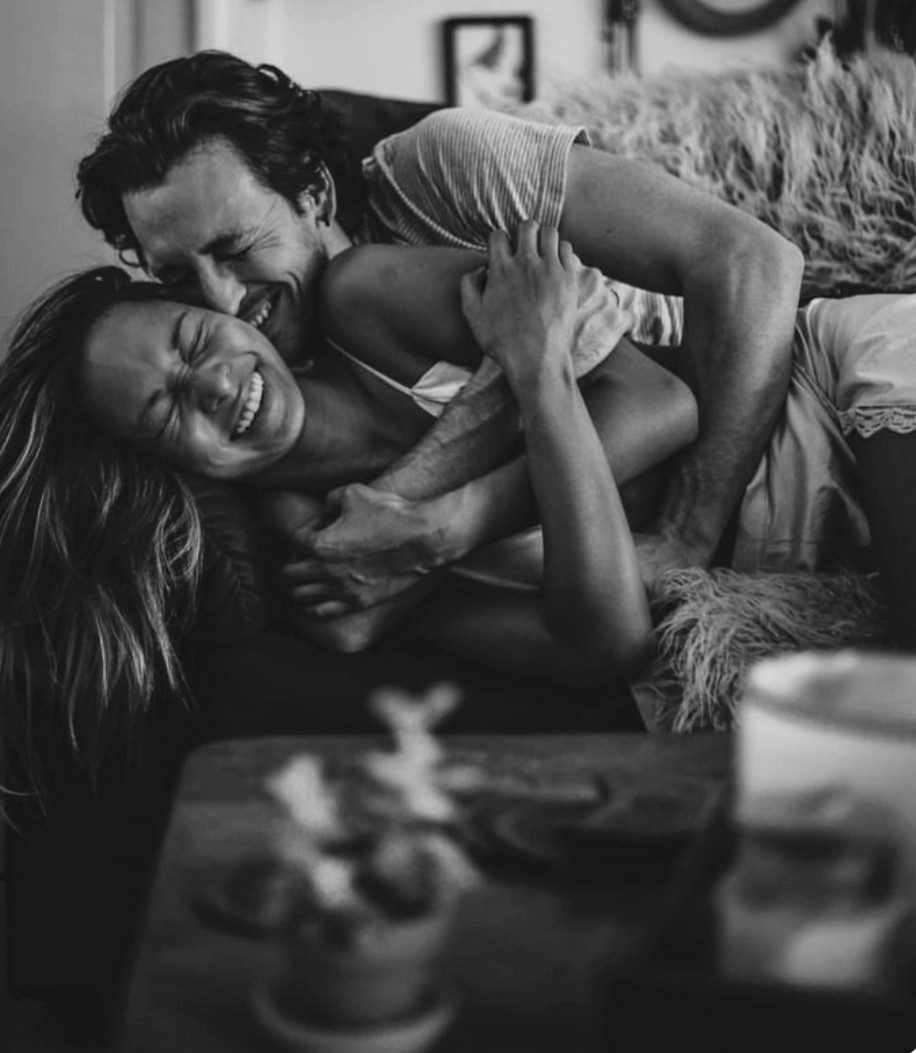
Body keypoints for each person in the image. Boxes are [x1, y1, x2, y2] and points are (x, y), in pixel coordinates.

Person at [74, 50, 805, 607]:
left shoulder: (441, 168)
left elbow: (753, 262)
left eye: (236, 247)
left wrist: (687, 535)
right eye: (179, 278)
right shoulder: (258, 396)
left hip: (791, 398)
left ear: (314, 193)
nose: (222, 301)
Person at [0, 228, 697, 803]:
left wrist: (449, 522)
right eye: (166, 411)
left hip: (759, 421)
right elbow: (604, 645)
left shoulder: (365, 297)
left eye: (193, 338)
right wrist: (535, 370)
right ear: (171, 469)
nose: (213, 384)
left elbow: (665, 399)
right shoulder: (322, 557)